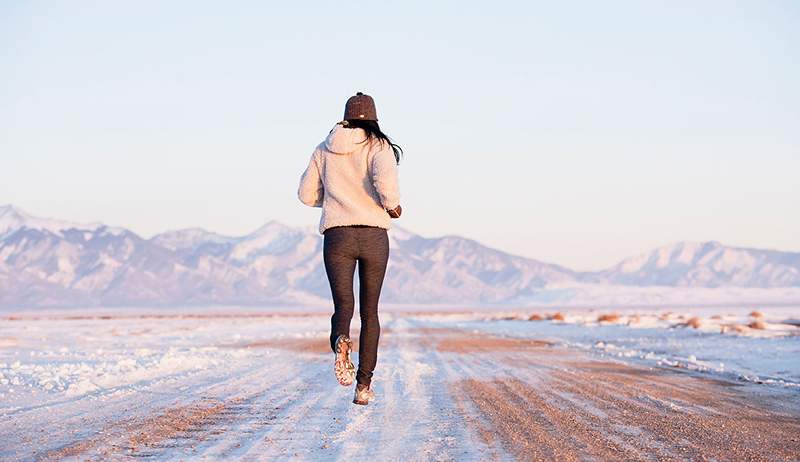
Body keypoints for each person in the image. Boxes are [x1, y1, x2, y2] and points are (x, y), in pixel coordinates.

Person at [298, 92, 402, 405]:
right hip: (373, 235)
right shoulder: (379, 146)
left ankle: (341, 340)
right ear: (373, 117)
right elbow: (386, 187)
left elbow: (305, 194)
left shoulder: (323, 148)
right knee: (370, 312)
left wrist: (331, 201)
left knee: (344, 306)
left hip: (337, 236)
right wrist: (393, 207)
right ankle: (364, 386)